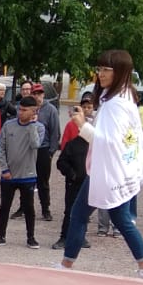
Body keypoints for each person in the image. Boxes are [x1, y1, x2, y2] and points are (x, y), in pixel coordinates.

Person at [59, 49, 143, 281]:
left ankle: (67, 265)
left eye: (106, 69)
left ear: (120, 72)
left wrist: (82, 125)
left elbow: (110, 142)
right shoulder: (122, 97)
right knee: (121, 218)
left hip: (108, 171)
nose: (100, 74)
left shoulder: (116, 103)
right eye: (99, 69)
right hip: (119, 169)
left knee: (79, 215)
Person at [0, 92, 45, 248]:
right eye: (20, 109)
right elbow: (0, 147)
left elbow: (35, 145)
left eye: (25, 110)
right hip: (8, 175)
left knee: (29, 208)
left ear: (33, 112)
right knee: (4, 206)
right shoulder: (9, 125)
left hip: (28, 175)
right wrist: (4, 169)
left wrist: (32, 126)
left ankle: (31, 238)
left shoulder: (39, 128)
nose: (20, 112)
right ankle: (0, 236)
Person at [52, 97, 90, 251]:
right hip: (73, 183)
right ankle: (64, 237)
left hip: (88, 182)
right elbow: (61, 163)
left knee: (85, 211)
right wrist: (71, 174)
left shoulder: (93, 145)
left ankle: (81, 237)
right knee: (70, 210)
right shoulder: (72, 145)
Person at [31, 83, 60, 222]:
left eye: (39, 93)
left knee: (43, 182)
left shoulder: (51, 110)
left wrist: (51, 152)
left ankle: (45, 209)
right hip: (30, 150)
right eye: (35, 93)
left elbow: (55, 132)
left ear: (43, 94)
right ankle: (26, 208)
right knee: (27, 181)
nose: (37, 96)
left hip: (44, 149)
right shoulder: (28, 108)